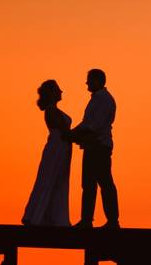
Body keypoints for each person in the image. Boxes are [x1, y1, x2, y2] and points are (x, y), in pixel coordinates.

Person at [66, 68, 119, 228]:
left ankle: (111, 221)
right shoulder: (98, 99)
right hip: (93, 146)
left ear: (97, 80)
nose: (86, 82)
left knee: (104, 182)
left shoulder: (103, 100)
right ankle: (87, 220)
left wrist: (72, 135)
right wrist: (73, 133)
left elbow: (93, 126)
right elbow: (88, 123)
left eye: (89, 79)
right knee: (89, 184)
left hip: (99, 147)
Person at [22, 80, 72, 226]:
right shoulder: (51, 110)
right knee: (48, 178)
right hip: (57, 148)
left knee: (58, 180)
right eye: (58, 90)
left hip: (62, 148)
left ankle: (53, 217)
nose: (61, 92)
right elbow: (65, 131)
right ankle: (38, 216)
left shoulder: (53, 110)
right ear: (52, 93)